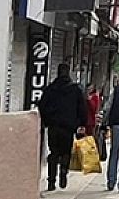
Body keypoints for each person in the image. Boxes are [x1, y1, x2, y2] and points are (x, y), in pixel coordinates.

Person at [37, 63, 89, 191]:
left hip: (53, 126)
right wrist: (82, 123)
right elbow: (82, 108)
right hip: (68, 127)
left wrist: (46, 121)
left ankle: (51, 181)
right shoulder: (75, 89)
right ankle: (63, 173)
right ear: (69, 72)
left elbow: (42, 106)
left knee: (53, 152)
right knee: (66, 152)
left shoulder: (50, 89)